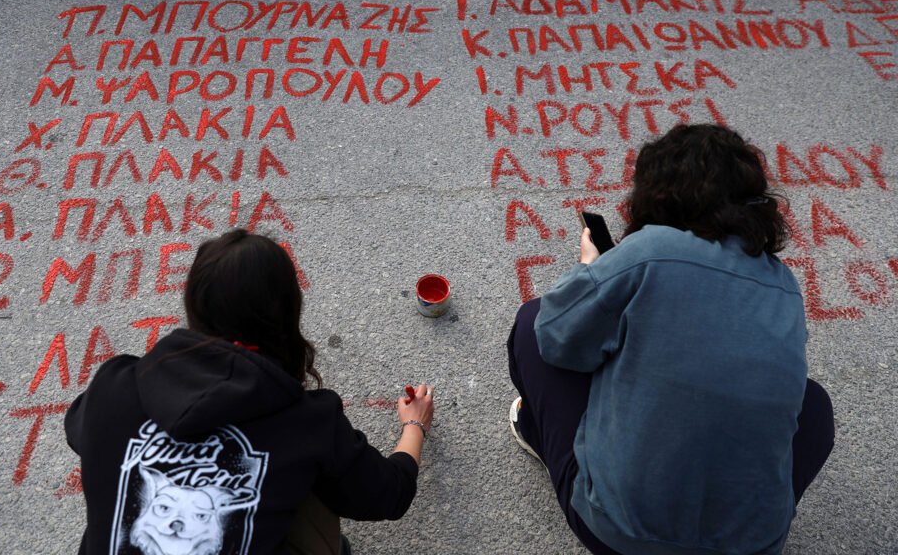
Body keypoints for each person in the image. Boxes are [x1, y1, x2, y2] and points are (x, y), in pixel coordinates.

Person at [506, 124, 835, 555]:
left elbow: (556, 336)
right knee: (812, 406)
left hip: (621, 535)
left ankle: (538, 431)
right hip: (753, 548)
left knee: (534, 323)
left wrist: (589, 270)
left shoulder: (650, 247)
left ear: (657, 193)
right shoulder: (785, 283)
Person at [65, 229, 434, 555]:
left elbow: (79, 432)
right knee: (310, 486)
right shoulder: (305, 421)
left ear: (193, 305)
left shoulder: (115, 384)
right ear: (288, 315)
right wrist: (413, 426)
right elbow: (389, 494)